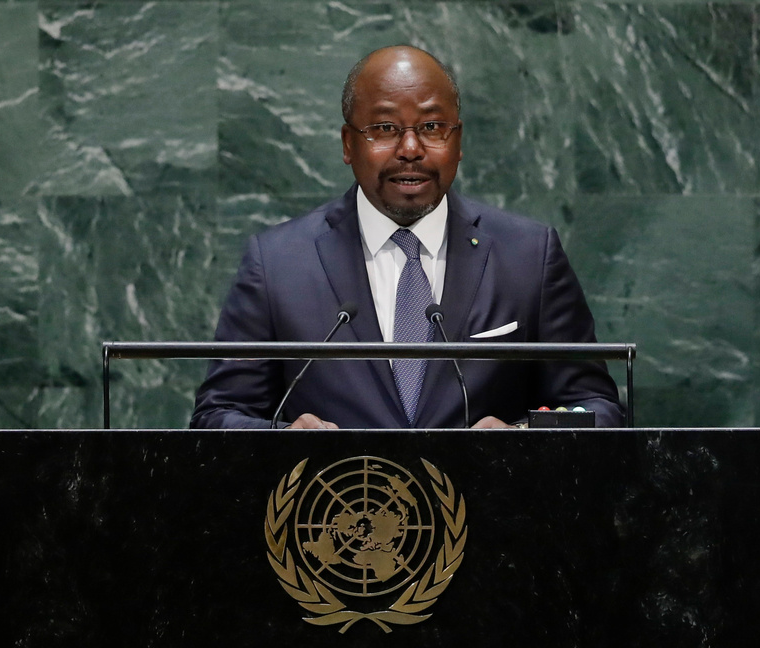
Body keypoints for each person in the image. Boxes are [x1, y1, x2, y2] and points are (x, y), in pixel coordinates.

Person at [191, 45, 623, 429]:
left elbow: (596, 408)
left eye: (433, 127)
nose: (411, 148)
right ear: (347, 144)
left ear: (458, 141)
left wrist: (523, 437)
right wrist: (283, 438)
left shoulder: (529, 255)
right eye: (384, 129)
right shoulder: (277, 263)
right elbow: (217, 415)